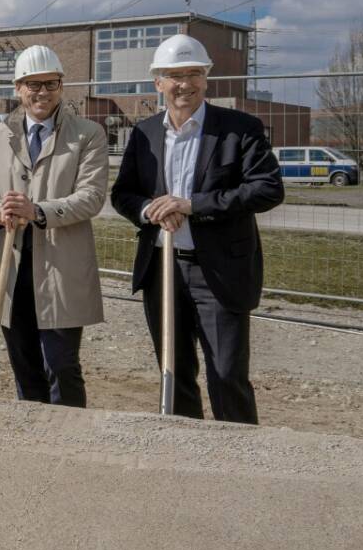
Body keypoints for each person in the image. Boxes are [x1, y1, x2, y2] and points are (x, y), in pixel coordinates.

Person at [111, 33, 284, 423]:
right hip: (163, 269)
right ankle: (186, 456)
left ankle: (238, 454)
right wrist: (150, 211)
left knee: (226, 374)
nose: (183, 84)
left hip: (218, 271)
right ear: (158, 83)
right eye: (173, 75)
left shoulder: (239, 129)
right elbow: (123, 194)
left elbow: (268, 188)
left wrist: (191, 206)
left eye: (192, 74)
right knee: (174, 372)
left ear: (206, 79)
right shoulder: (145, 134)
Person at [0, 45, 107, 407]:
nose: (41, 92)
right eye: (33, 84)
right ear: (18, 88)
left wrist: (38, 210)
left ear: (61, 85)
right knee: (24, 365)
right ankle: (34, 441)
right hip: (12, 269)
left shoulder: (87, 135)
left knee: (61, 365)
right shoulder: (1, 135)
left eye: (50, 83)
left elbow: (92, 196)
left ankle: (70, 440)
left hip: (60, 268)